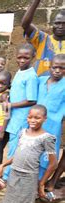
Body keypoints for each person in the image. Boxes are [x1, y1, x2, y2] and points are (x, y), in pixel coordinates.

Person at [0, 44, 39, 189]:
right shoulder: (20, 72)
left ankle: (6, 178)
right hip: (13, 118)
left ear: (33, 57)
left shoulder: (31, 76)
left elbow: (32, 100)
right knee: (12, 146)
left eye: (25, 58)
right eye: (19, 57)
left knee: (14, 148)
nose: (21, 60)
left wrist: (11, 105)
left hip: (20, 118)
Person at [38, 54, 65, 183]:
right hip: (36, 124)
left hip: (53, 127)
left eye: (62, 68)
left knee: (47, 156)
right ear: (50, 67)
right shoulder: (41, 81)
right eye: (55, 67)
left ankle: (40, 182)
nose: (58, 71)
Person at [22, 1, 65, 76]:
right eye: (57, 23)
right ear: (52, 24)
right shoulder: (42, 39)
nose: (60, 27)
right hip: (42, 85)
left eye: (64, 24)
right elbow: (25, 24)